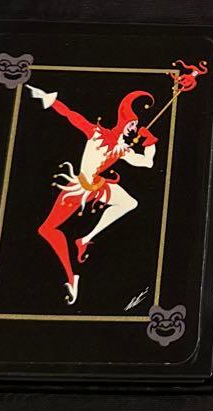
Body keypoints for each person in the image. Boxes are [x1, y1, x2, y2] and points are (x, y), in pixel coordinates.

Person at [25, 85, 157, 304]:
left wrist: (149, 141)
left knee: (129, 203)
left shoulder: (122, 149)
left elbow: (147, 163)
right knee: (47, 229)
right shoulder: (97, 134)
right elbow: (72, 116)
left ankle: (84, 240)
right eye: (132, 124)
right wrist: (50, 100)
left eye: (135, 126)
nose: (134, 129)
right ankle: (72, 277)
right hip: (79, 189)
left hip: (98, 186)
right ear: (124, 121)